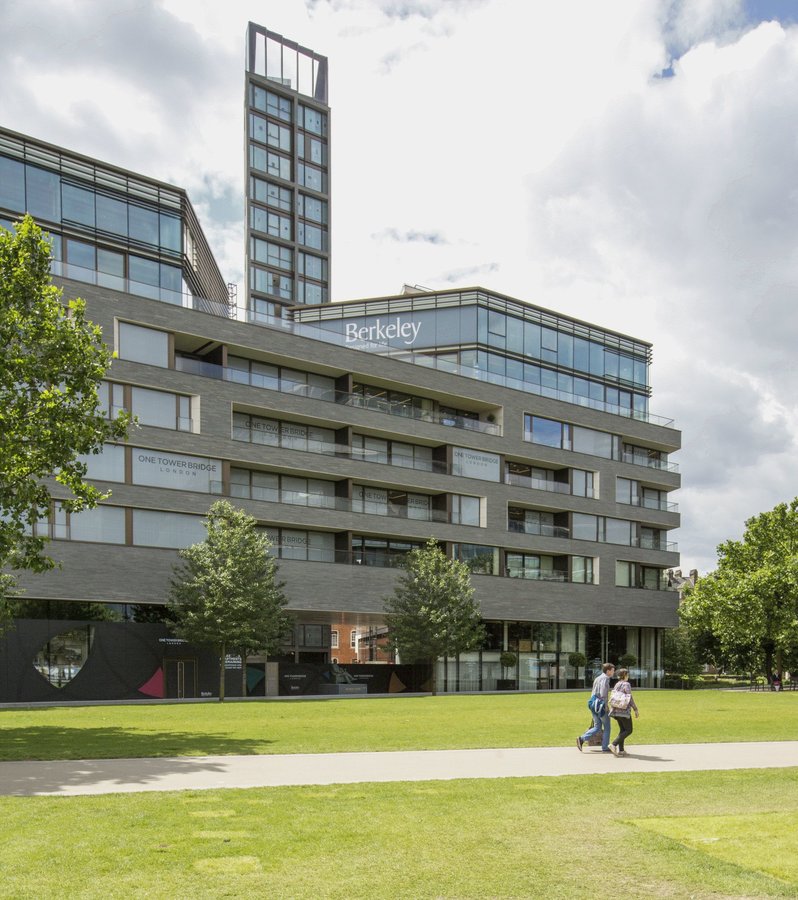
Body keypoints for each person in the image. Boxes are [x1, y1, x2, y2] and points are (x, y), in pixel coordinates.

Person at [577, 662, 615, 753]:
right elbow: (603, 693)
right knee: (607, 727)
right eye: (613, 670)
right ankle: (605, 747)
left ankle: (581, 739)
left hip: (593, 704)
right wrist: (605, 705)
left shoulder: (597, 678)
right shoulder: (606, 679)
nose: (614, 672)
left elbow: (593, 692)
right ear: (608, 671)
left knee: (597, 726)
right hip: (600, 705)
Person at [608, 667, 639, 756]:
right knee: (629, 730)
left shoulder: (617, 684)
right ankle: (613, 744)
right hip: (624, 711)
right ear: (625, 675)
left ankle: (621, 750)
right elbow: (629, 698)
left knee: (623, 730)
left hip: (615, 711)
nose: (628, 676)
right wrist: (635, 709)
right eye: (627, 674)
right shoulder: (626, 684)